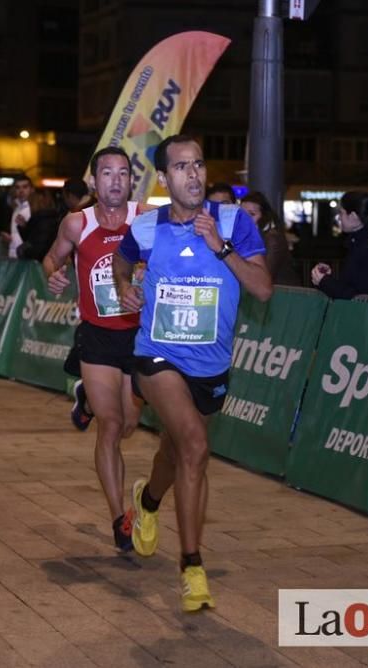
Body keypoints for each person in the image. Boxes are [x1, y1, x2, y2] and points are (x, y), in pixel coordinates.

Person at [114, 135, 272, 612]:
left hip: (211, 365)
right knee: (197, 448)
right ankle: (191, 566)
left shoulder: (234, 222)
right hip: (156, 355)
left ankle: (147, 501)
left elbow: (263, 290)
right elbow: (121, 266)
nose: (194, 174)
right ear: (164, 178)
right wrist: (125, 287)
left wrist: (220, 248)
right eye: (181, 167)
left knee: (176, 449)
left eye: (199, 164)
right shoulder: (145, 228)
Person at [43, 147, 145, 553]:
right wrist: (53, 276)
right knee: (112, 424)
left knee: (132, 424)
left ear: (131, 181)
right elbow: (50, 259)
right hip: (98, 336)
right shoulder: (75, 223)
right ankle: (119, 517)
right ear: (94, 182)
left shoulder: (148, 219)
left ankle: (84, 396)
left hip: (139, 338)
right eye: (107, 173)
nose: (116, 180)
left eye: (123, 173)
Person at [309, 191, 368, 299]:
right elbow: (353, 284)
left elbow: (363, 298)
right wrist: (328, 277)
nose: (339, 217)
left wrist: (325, 282)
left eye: (341, 213)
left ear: (354, 216)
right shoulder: (359, 243)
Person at [240, 191, 301, 286]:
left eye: (252, 214)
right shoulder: (247, 234)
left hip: (281, 295)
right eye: (242, 214)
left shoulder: (272, 238)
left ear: (264, 216)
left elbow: (264, 277)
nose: (245, 219)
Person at [17, 189, 61, 262]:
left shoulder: (43, 221)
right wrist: (24, 227)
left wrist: (22, 250)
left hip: (40, 266)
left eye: (30, 204)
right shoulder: (49, 218)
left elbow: (39, 250)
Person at [4, 175, 33, 258]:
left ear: (31, 189)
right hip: (14, 256)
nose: (21, 191)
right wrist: (9, 239)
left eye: (25, 187)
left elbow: (38, 239)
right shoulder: (16, 208)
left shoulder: (34, 209)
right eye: (17, 187)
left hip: (27, 259)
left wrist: (25, 227)